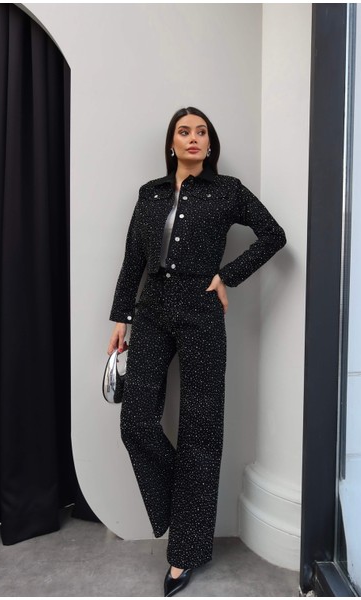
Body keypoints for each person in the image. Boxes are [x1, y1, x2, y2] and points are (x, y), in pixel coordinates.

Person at [107, 107, 286, 597]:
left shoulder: (227, 191)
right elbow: (133, 258)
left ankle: (183, 554)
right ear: (171, 143)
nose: (193, 138)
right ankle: (186, 506)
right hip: (151, 310)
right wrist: (121, 318)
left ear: (210, 144)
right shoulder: (150, 193)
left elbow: (274, 235)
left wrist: (227, 276)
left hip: (202, 312)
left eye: (201, 132)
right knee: (136, 421)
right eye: (183, 132)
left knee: (200, 432)